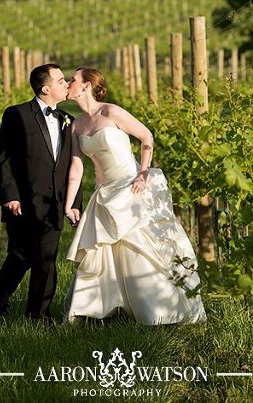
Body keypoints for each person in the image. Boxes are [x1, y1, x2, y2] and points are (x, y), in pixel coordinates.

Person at [63, 68, 206, 324]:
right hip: (105, 191)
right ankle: (108, 307)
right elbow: (76, 167)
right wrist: (69, 204)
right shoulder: (76, 125)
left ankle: (160, 310)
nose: (68, 83)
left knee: (141, 248)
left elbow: (146, 137)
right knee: (105, 252)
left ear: (86, 86)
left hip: (131, 185)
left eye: (72, 80)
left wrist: (143, 174)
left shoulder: (112, 112)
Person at [0, 64, 82, 320]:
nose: (66, 84)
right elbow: (5, 159)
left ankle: (37, 315)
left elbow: (73, 166)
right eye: (61, 80)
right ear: (45, 88)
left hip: (53, 201)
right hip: (23, 200)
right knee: (21, 255)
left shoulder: (68, 121)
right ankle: (0, 292)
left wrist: (74, 202)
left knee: (46, 259)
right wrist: (10, 195)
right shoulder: (16, 114)